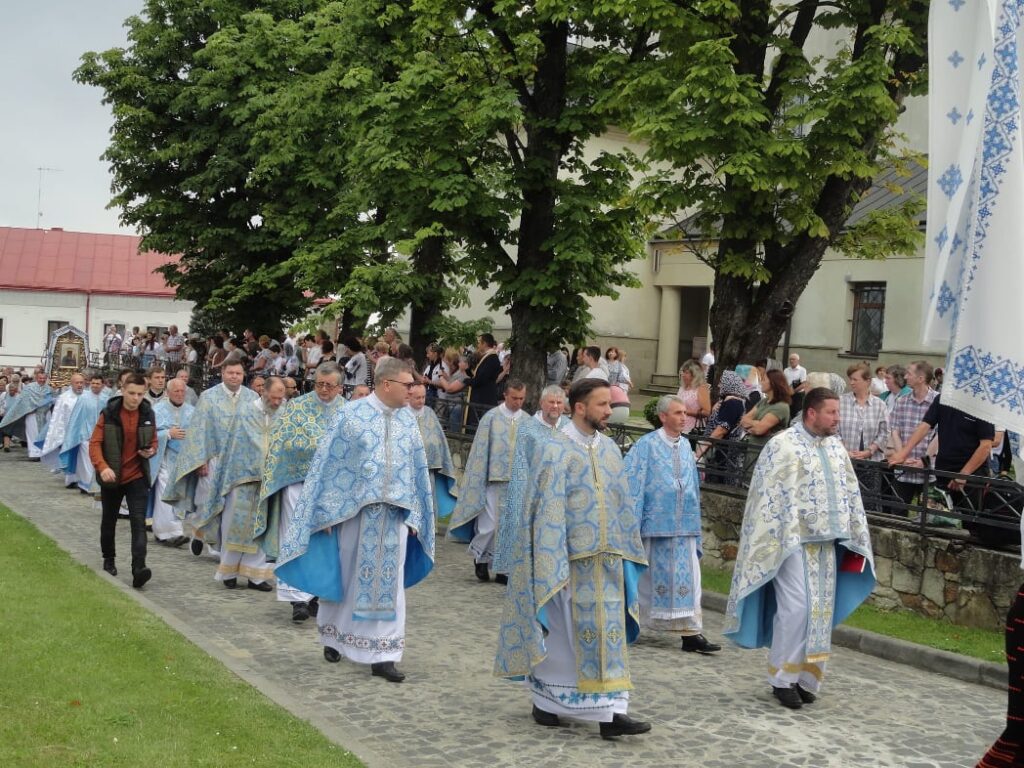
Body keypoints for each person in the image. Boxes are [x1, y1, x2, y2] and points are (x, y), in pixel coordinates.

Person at [494, 378, 651, 739]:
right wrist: (553, 563)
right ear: (580, 408)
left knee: (607, 637)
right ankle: (547, 702)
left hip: (607, 560)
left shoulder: (610, 449)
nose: (609, 411)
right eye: (602, 405)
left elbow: (621, 503)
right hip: (568, 563)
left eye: (609, 404)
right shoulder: (555, 449)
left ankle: (612, 712)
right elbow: (546, 510)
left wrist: (625, 552)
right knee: (563, 641)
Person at [274, 357, 435, 683]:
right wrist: (325, 511)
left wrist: (416, 514)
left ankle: (384, 655)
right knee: (348, 579)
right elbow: (329, 465)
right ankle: (334, 636)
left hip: (395, 517)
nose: (412, 391)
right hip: (354, 515)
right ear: (387, 384)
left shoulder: (407, 420)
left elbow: (417, 470)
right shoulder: (351, 415)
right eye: (407, 385)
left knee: (390, 585)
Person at [724, 387, 875, 709]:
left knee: (820, 612)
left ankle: (806, 678)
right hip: (790, 542)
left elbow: (850, 494)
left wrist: (854, 536)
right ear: (812, 413)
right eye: (832, 412)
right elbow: (767, 498)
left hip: (827, 544)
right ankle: (782, 678)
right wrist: (782, 534)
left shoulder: (835, 448)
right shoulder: (783, 446)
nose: (837, 418)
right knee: (797, 608)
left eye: (838, 412)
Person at [624, 395, 720, 654]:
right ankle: (630, 623)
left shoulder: (686, 445)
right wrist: (633, 518)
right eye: (678, 413)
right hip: (655, 525)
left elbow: (692, 484)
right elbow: (631, 480)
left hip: (684, 525)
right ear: (663, 416)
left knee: (691, 578)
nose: (683, 417)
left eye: (685, 413)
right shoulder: (646, 445)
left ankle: (691, 633)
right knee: (647, 580)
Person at [257, 363, 345, 622]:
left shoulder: (348, 412)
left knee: (325, 544)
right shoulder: (296, 408)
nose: (323, 389)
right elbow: (280, 444)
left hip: (331, 490)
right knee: (294, 538)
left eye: (329, 385)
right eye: (319, 384)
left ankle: (315, 594)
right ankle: (297, 598)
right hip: (297, 483)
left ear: (340, 387)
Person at [164, 355, 256, 557]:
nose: (234, 376)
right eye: (230, 373)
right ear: (222, 373)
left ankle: (221, 544)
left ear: (243, 375)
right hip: (213, 457)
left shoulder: (252, 398)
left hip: (239, 461)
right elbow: (198, 430)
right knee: (207, 501)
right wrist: (200, 460)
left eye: (238, 373)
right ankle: (201, 533)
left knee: (232, 504)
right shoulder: (208, 397)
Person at [200, 376, 286, 589]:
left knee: (263, 526)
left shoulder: (284, 413)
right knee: (234, 524)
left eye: (280, 398)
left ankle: (256, 575)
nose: (277, 402)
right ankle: (228, 570)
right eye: (274, 398)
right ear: (263, 392)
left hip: (270, 482)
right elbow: (234, 446)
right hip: (241, 478)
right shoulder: (245, 412)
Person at [448, 380, 528, 583]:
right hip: (493, 480)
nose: (518, 402)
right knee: (489, 525)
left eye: (521, 399)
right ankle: (481, 559)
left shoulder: (528, 422)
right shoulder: (491, 418)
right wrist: (479, 477)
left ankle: (503, 570)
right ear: (505, 395)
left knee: (511, 527)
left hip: (517, 483)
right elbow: (480, 451)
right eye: (514, 398)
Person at [89, 372, 158, 589]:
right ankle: (109, 558)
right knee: (109, 520)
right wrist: (103, 467)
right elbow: (95, 443)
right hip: (112, 475)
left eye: (140, 394)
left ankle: (139, 568)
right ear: (123, 390)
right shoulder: (109, 413)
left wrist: (151, 450)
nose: (135, 398)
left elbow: (153, 441)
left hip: (137, 476)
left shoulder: (147, 412)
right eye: (132, 393)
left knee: (138, 522)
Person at [149, 378, 194, 547]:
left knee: (179, 495)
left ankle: (164, 530)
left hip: (183, 461)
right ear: (168, 393)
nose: (180, 394)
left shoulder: (192, 411)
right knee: (165, 493)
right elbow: (149, 434)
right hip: (164, 458)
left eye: (183, 391)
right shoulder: (157, 410)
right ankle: (171, 532)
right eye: (176, 391)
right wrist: (167, 433)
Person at [886, 361, 938, 506]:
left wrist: (924, 460)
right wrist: (902, 456)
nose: (905, 376)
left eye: (909, 373)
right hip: (903, 469)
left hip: (928, 469)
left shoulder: (938, 402)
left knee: (927, 513)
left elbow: (941, 435)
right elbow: (895, 430)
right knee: (898, 511)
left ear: (921, 378)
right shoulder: (902, 401)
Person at [406, 383, 458, 523]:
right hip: (406, 471)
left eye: (423, 397)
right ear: (409, 396)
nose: (421, 401)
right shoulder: (401, 413)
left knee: (427, 504)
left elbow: (439, 439)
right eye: (417, 398)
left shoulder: (429, 413)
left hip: (428, 469)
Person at [695, 370, 749, 484]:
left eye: (721, 382)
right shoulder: (727, 401)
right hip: (721, 451)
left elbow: (721, 429)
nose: (719, 386)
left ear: (729, 383)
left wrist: (702, 449)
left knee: (720, 482)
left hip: (725, 453)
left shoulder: (733, 403)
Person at [60, 374, 112, 491]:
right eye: (93, 383)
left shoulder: (106, 399)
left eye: (98, 383)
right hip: (85, 435)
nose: (95, 386)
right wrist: (80, 432)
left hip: (101, 435)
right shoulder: (83, 398)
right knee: (87, 461)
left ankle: (92, 484)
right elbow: (77, 417)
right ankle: (87, 485)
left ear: (102, 385)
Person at [40, 372, 85, 484]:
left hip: (84, 432)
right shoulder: (64, 398)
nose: (79, 385)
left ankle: (83, 479)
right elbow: (58, 416)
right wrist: (60, 433)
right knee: (70, 455)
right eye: (77, 383)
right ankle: (70, 479)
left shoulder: (87, 396)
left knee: (83, 457)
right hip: (68, 431)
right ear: (71, 384)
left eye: (81, 382)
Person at [0, 367, 53, 460]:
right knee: (32, 434)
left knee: (44, 434)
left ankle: (42, 453)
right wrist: (30, 407)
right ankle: (33, 454)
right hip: (32, 414)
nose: (42, 380)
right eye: (40, 378)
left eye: (44, 378)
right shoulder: (29, 388)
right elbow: (22, 401)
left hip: (45, 415)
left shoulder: (49, 389)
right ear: (36, 378)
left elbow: (52, 401)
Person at [740, 369, 792, 448]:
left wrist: (754, 425)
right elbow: (743, 421)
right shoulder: (763, 401)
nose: (761, 382)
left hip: (767, 450)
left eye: (764, 380)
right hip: (751, 448)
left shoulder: (781, 406)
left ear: (773, 383)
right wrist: (757, 423)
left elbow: (759, 430)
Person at [461, 333, 502, 424]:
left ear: (485, 344)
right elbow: (478, 375)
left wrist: (466, 381)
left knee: (480, 426)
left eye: (479, 342)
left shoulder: (491, 358)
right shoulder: (487, 357)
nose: (477, 345)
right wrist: (467, 370)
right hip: (481, 398)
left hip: (484, 399)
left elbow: (481, 380)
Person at [676, 359, 712, 434]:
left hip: (692, 429)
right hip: (678, 427)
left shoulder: (701, 388)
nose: (683, 374)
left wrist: (686, 411)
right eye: (683, 372)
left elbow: (706, 412)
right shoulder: (682, 388)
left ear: (695, 374)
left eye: (686, 373)